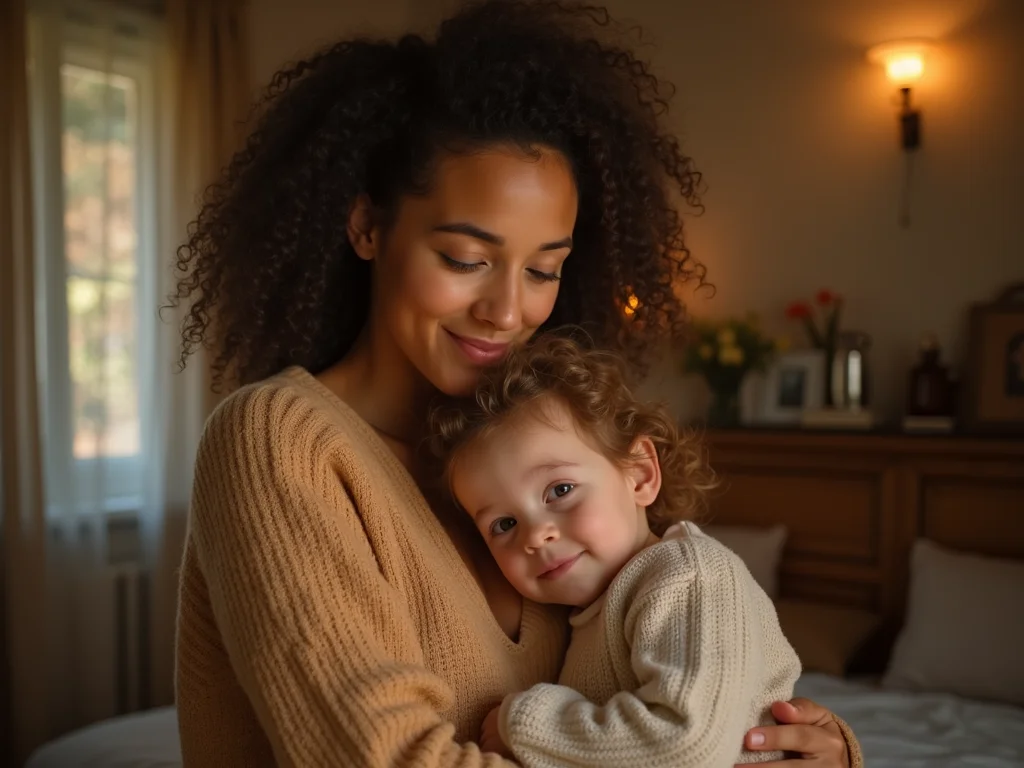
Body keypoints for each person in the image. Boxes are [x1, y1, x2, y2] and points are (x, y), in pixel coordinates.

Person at [171, 1, 862, 765]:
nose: (507, 310)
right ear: (368, 227)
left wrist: (813, 750)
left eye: (543, 271)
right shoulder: (276, 442)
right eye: (466, 259)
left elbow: (665, 710)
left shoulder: (532, 461)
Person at [429, 334, 802, 766]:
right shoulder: (588, 613)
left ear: (640, 474)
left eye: (560, 490)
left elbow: (686, 744)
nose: (534, 536)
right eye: (504, 524)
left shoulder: (690, 574)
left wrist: (523, 723)